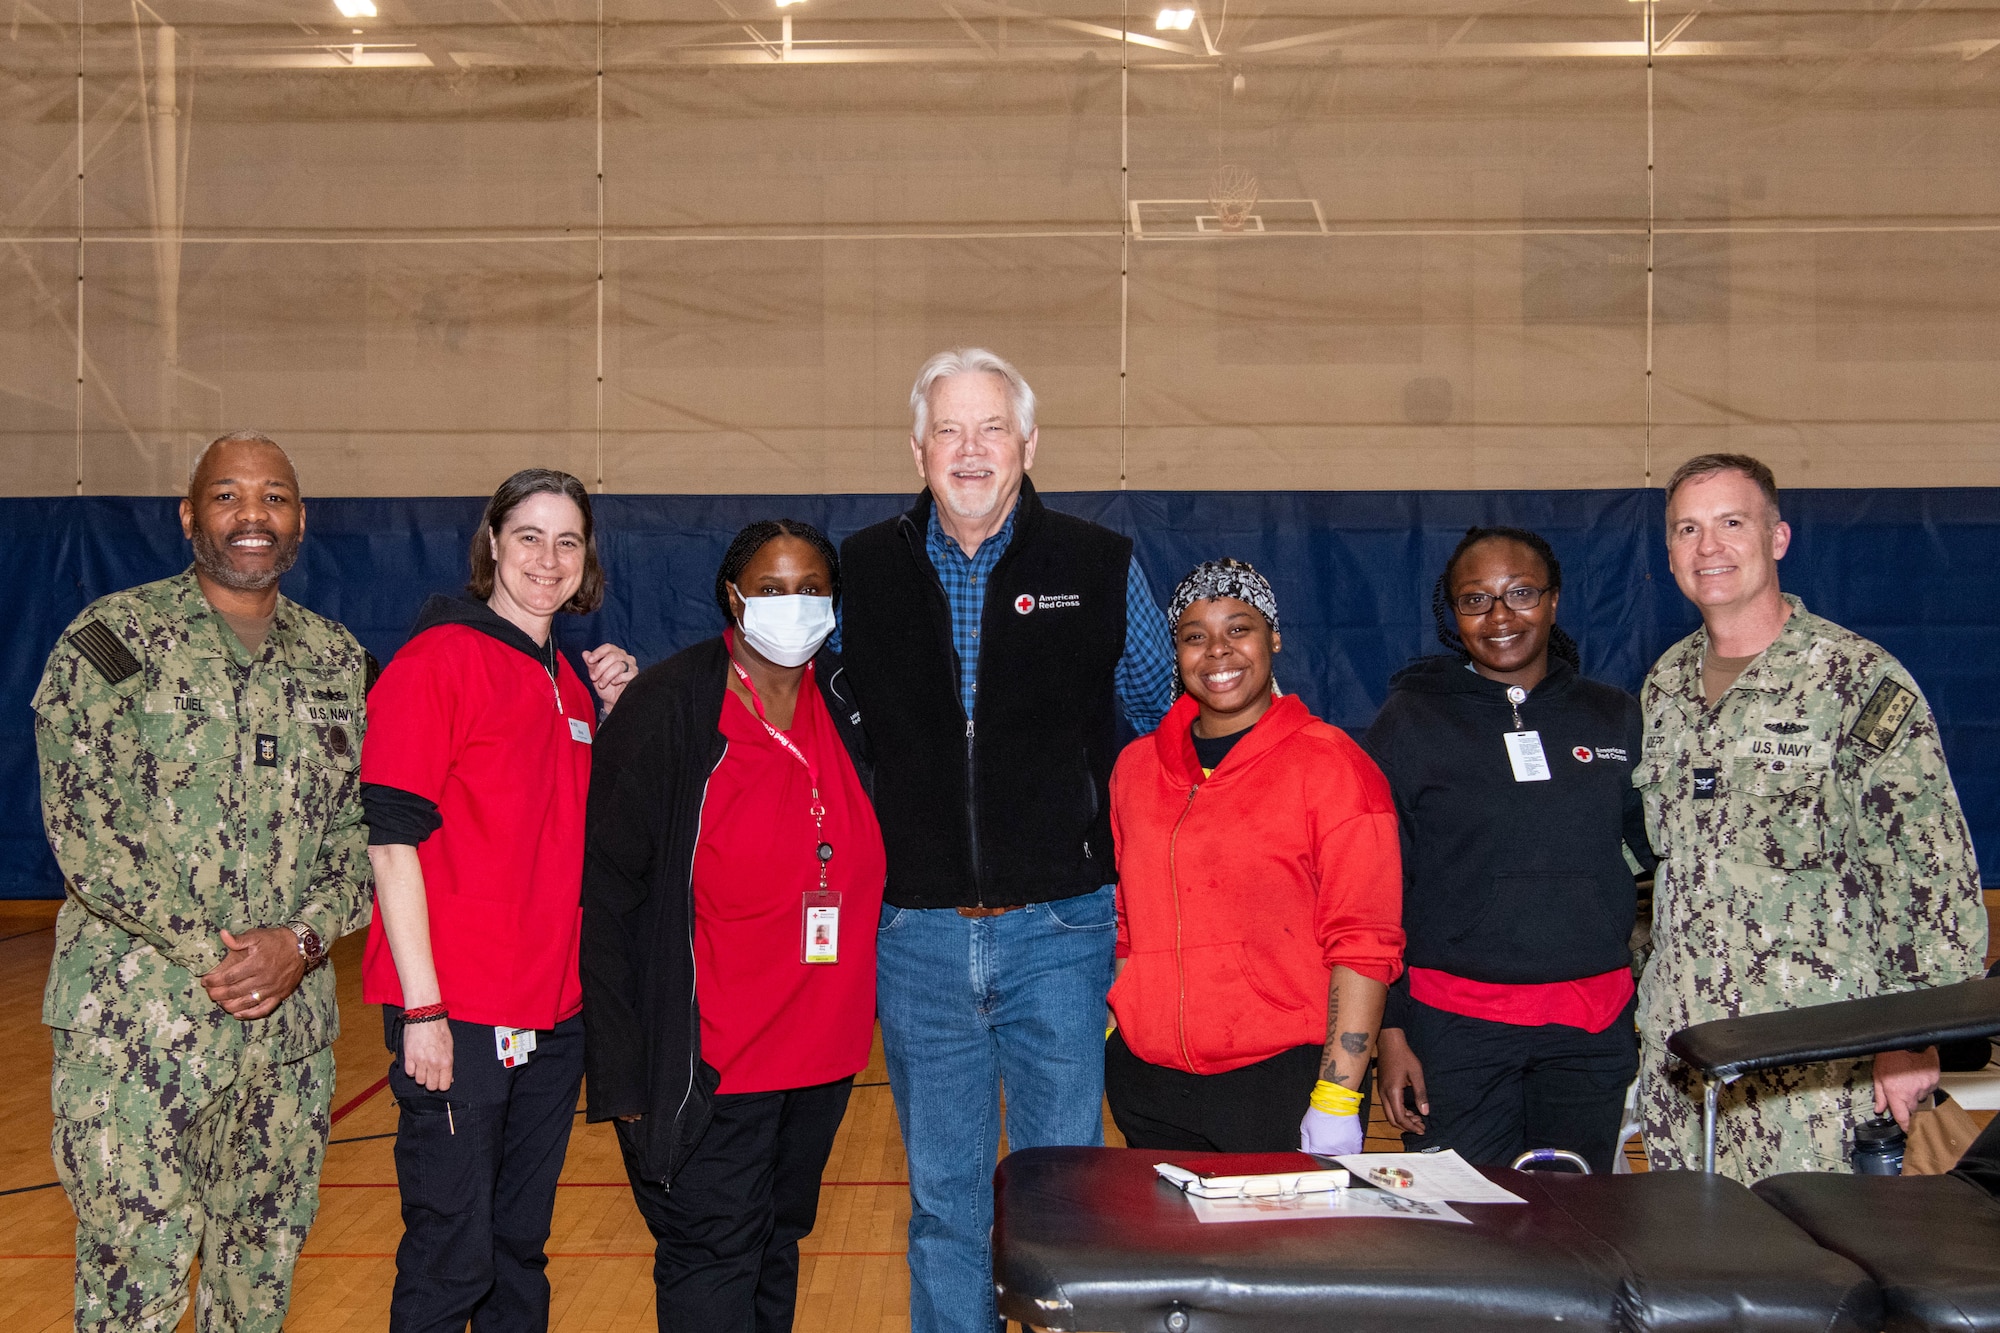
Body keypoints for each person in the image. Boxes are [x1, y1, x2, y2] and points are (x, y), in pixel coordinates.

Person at [837, 347, 1174, 1333]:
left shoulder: (1096, 563)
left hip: (1059, 932)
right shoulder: (860, 568)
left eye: (992, 429)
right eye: (950, 429)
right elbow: (802, 701)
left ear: (1028, 444)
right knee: (945, 1204)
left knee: (1061, 1197)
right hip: (918, 936)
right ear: (916, 448)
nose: (970, 448)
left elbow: (1154, 707)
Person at [35, 430, 370, 1332]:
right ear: (190, 514)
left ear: (301, 520)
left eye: (274, 497)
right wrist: (228, 955)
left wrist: (296, 947)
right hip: (140, 1037)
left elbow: (356, 839)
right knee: (131, 1292)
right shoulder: (111, 640)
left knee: (258, 1288)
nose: (252, 515)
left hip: (287, 1047)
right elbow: (90, 829)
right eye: (228, 495)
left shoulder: (337, 661)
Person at [1635, 453, 1986, 1181]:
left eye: (1732, 523)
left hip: (1818, 1065)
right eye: (1687, 529)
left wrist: (1912, 1039)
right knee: (1697, 1278)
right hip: (1688, 1056)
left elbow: (1933, 876)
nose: (1709, 548)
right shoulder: (1664, 682)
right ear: (1669, 551)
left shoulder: (1857, 680)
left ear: (1778, 537)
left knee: (1821, 1278)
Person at [581, 520, 882, 1333]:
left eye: (813, 587)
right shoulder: (671, 706)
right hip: (708, 1065)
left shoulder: (849, 702)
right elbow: (607, 899)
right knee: (712, 1259)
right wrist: (624, 1076)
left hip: (818, 1061)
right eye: (774, 588)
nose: (796, 604)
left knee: (774, 1246)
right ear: (733, 596)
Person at [360, 468, 637, 1333]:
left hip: (552, 1019)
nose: (547, 559)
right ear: (490, 545)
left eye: (567, 541)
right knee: (452, 1253)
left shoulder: (571, 681)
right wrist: (424, 1007)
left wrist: (621, 709)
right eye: (528, 536)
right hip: (459, 1015)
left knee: (518, 1249)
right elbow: (390, 838)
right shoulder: (438, 658)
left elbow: (584, 836)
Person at [1365, 527, 1653, 1174]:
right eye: (1476, 599)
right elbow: (1381, 889)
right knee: (1463, 1241)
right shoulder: (1410, 721)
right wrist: (1391, 1032)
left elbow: (1660, 857)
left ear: (1553, 600)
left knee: (1574, 1234)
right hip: (1453, 1033)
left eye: (1521, 593)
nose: (1500, 616)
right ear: (1453, 613)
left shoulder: (1613, 716)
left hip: (1589, 1029)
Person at [1105, 559, 1405, 1156]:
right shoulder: (1136, 769)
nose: (1218, 651)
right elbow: (1127, 923)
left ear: (1273, 637)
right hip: (1150, 1086)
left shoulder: (1333, 766)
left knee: (1278, 1253)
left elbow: (1365, 942)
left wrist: (1339, 1098)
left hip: (1280, 1084)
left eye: (1238, 628)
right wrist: (1126, 1024)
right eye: (1195, 636)